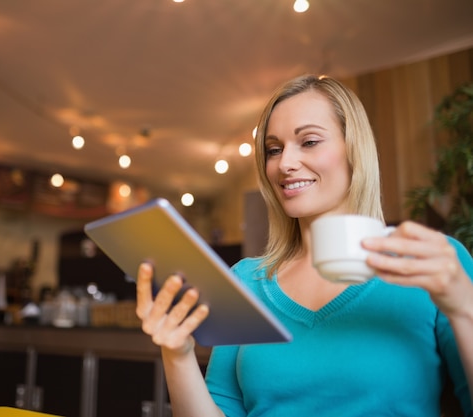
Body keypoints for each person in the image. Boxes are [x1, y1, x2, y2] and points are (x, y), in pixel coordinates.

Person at [135, 74, 473, 416]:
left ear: (354, 149)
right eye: (274, 149)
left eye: (309, 141)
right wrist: (176, 354)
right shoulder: (246, 281)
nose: (285, 164)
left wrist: (464, 307)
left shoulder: (433, 264)